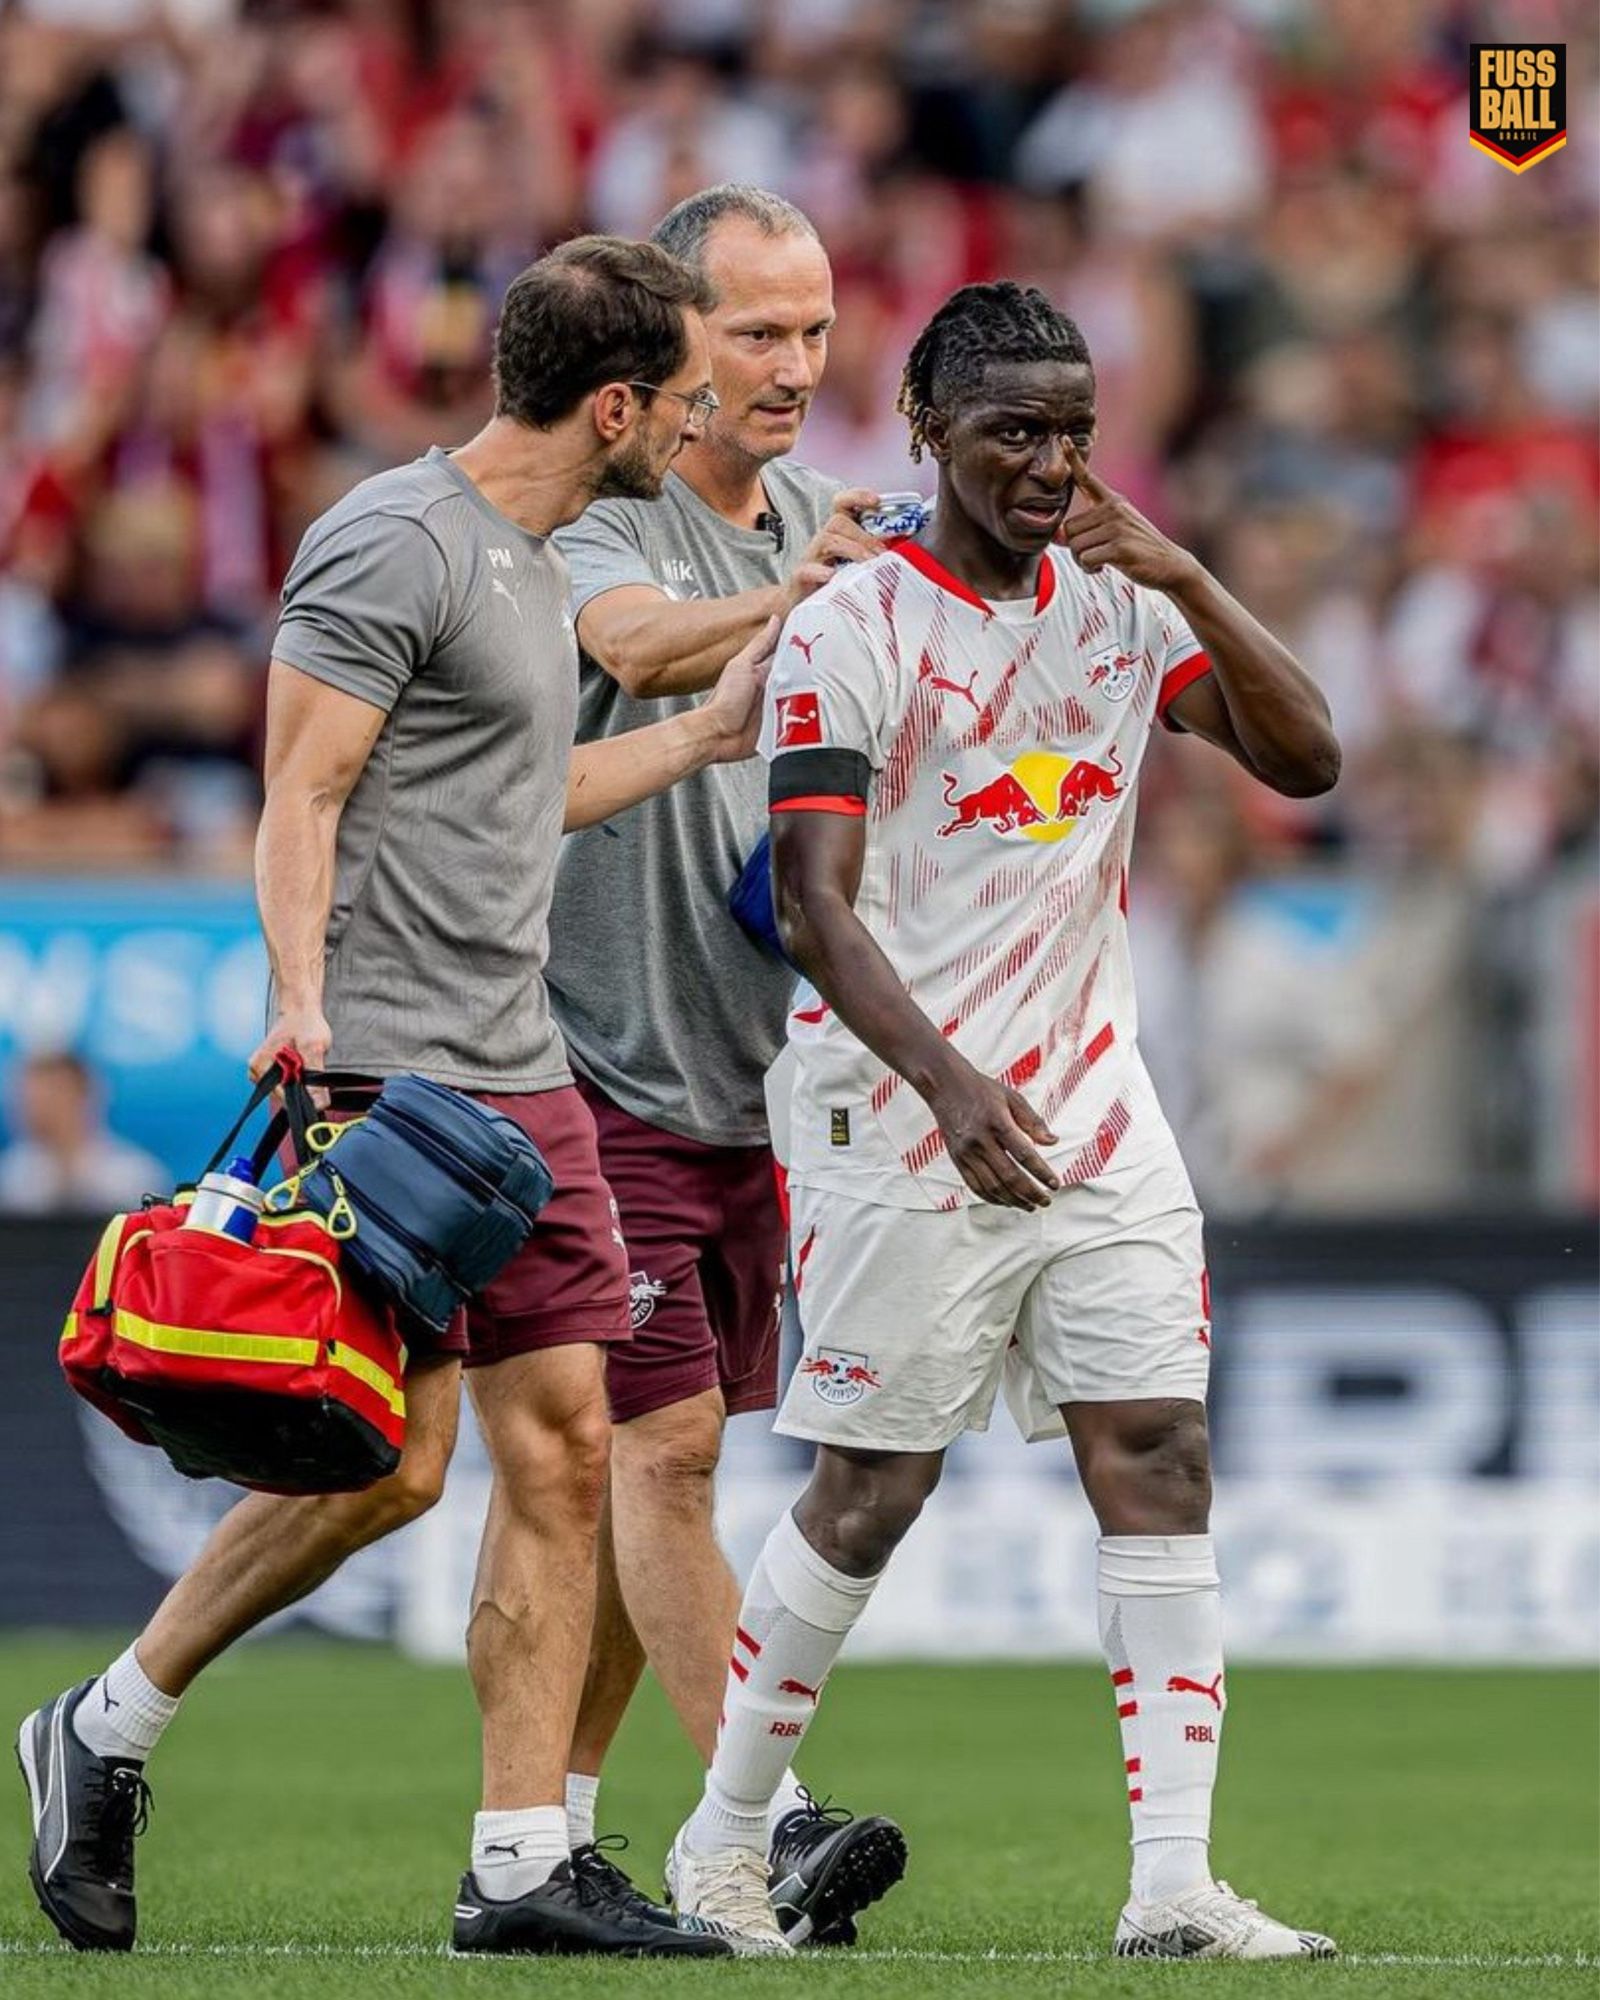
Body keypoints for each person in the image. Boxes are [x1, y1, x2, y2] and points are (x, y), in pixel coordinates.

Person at [17, 234, 777, 1961]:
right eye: (680, 397)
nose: (696, 424)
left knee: (570, 1443)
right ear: (615, 403)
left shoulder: (537, 553)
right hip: (389, 1069)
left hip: (526, 1069)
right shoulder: (394, 537)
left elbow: (524, 791)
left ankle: (519, 1864)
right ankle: (109, 1725)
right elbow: (303, 791)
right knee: (395, 1465)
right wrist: (299, 1005)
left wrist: (699, 739)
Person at [665, 282, 1344, 1959]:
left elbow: (1310, 756)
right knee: (875, 1488)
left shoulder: (1122, 608)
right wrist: (951, 1087)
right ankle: (722, 1842)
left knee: (1161, 1452)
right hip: (894, 1110)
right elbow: (817, 905)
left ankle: (1173, 1884)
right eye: (1012, 434)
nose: (1049, 465)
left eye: (1072, 434)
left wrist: (1181, 568)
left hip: (1095, 1107)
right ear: (926, 435)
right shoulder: (853, 630)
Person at [546, 184, 905, 1946]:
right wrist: (797, 593)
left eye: (816, 329)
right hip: (591, 1066)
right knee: (666, 1453)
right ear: (671, 338)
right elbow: (624, 651)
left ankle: (539, 1833)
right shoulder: (597, 517)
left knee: (634, 1480)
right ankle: (766, 1822)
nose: (792, 364)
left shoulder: (847, 517)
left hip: (764, 1084)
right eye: (755, 329)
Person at [0, 1050, 167, 1214]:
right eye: (29, 1100)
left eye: (52, 1096)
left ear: (83, 1096)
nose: (37, 1109)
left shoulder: (133, 1174)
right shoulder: (11, 1174)